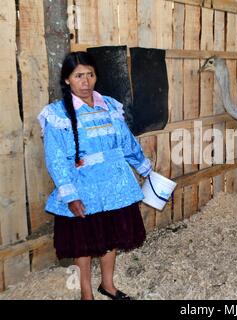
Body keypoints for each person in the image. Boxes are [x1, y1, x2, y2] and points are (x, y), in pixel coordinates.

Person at [37, 51, 152, 300]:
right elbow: (56, 160)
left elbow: (126, 141)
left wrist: (145, 168)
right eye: (78, 75)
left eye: (90, 74)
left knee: (111, 238)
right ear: (67, 80)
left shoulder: (109, 105)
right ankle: (86, 294)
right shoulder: (57, 114)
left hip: (115, 185)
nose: (85, 81)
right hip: (84, 188)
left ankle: (108, 286)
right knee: (85, 244)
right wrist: (70, 195)